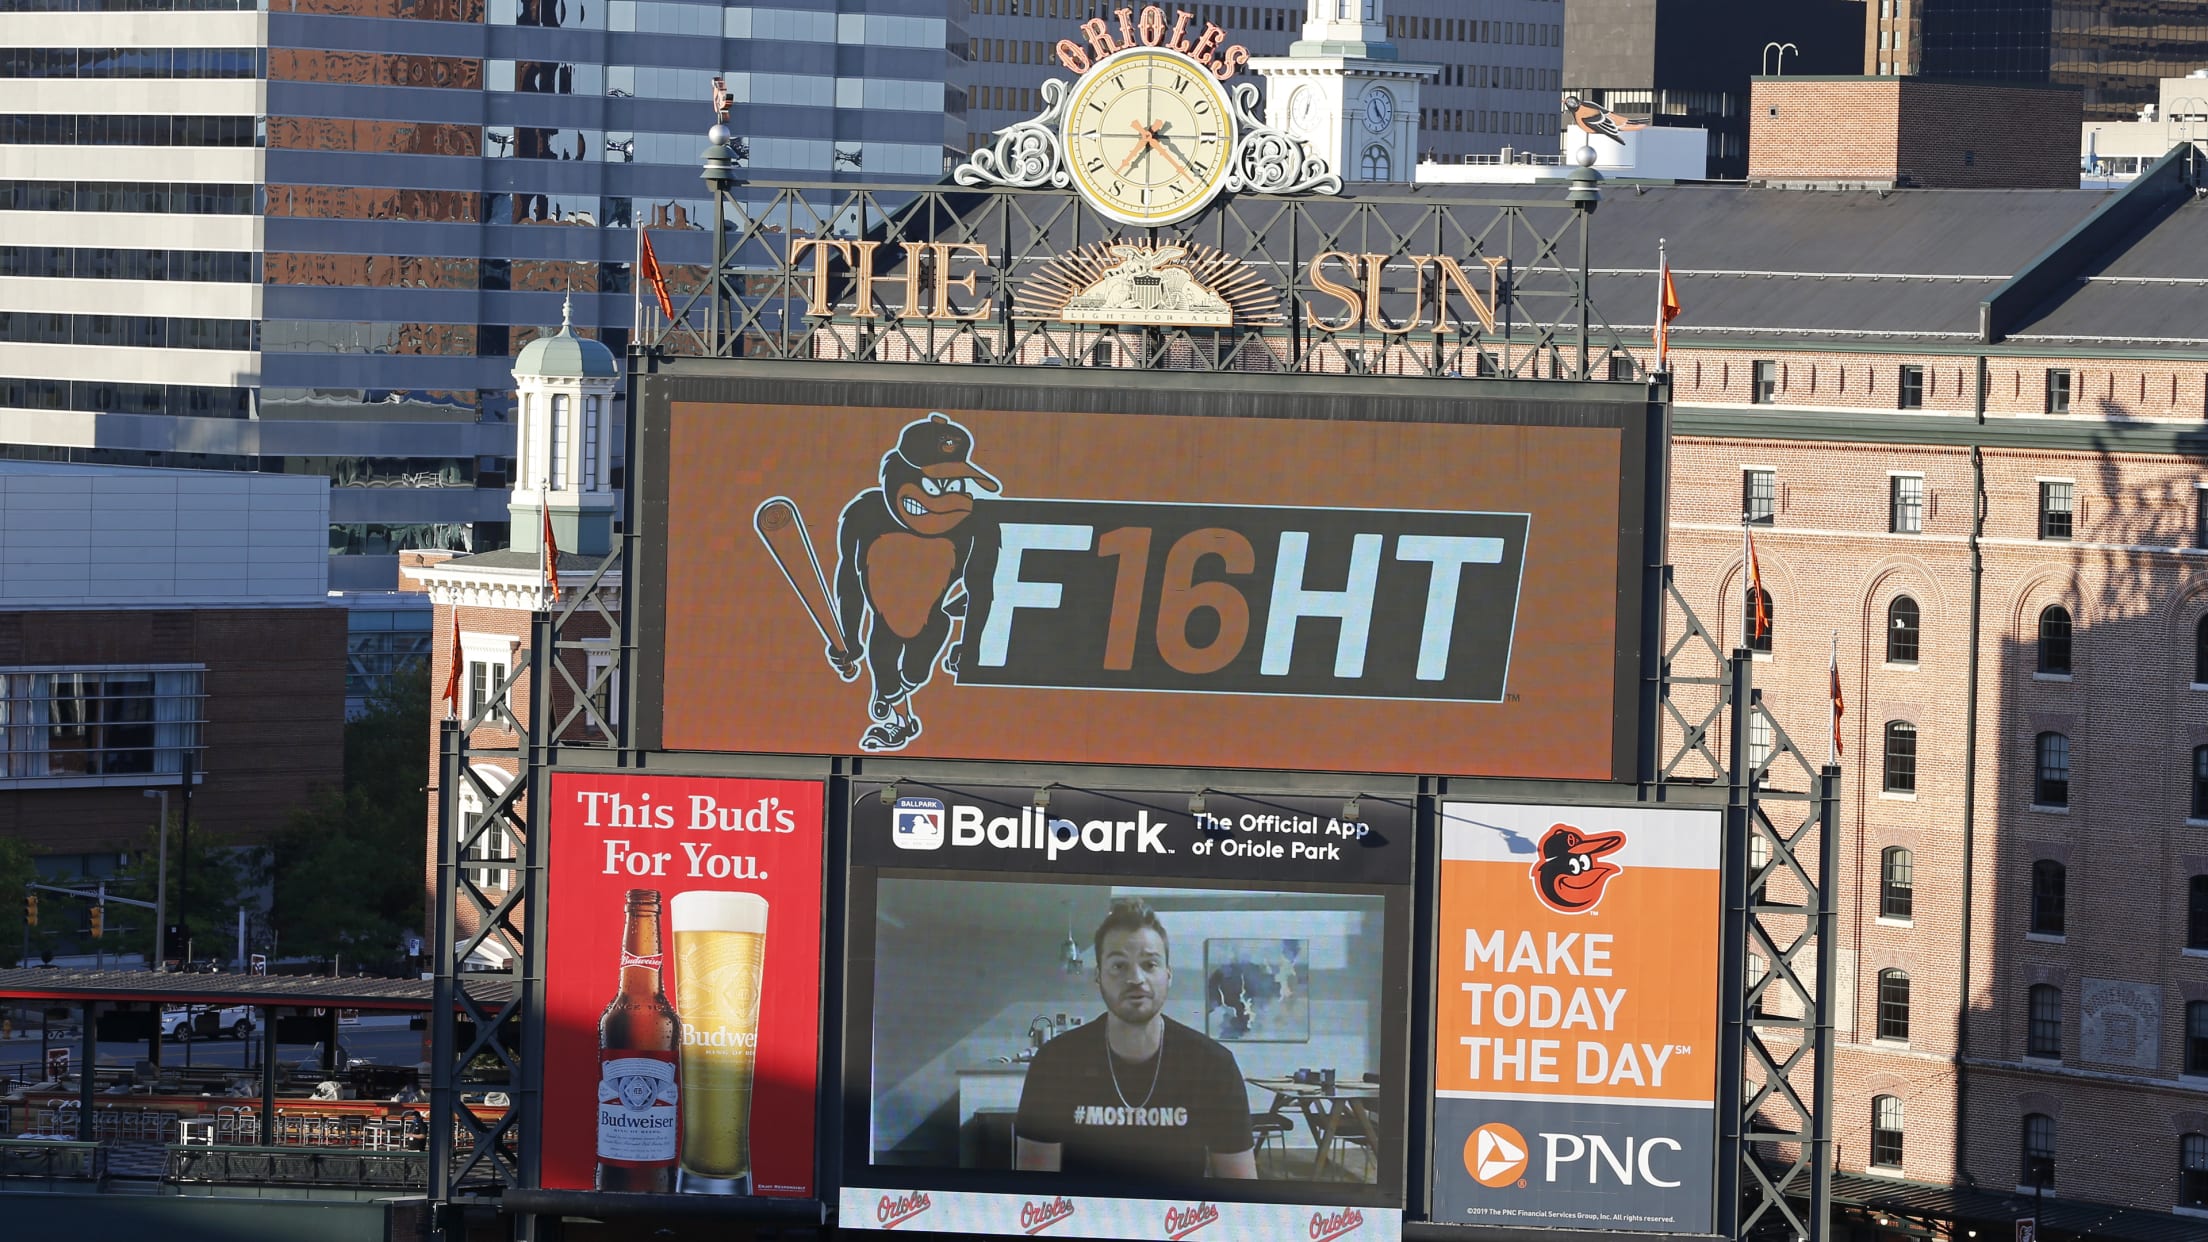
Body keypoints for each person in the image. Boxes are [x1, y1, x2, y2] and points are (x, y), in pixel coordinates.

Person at [1014, 900, 1257, 1180]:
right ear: (1099, 977)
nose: (1135, 978)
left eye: (1149, 964)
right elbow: (1033, 1190)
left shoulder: (1214, 1066)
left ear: (1168, 976)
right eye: (1119, 965)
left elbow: (1240, 1189)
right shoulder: (1054, 1062)